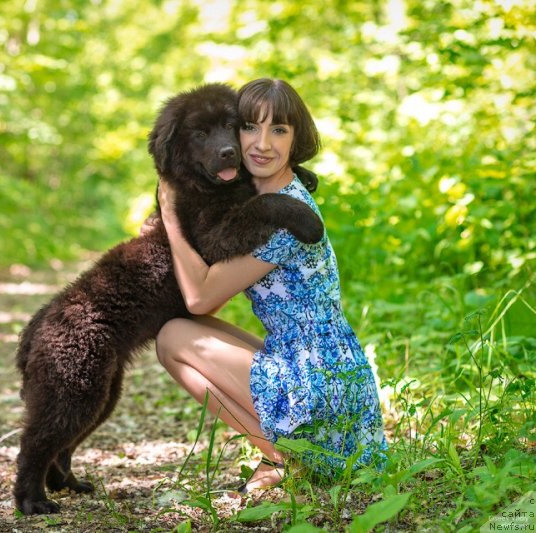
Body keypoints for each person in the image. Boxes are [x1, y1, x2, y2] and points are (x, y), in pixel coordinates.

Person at [151, 78, 387, 491]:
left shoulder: (281, 216)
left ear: (296, 140)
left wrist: (170, 216)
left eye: (278, 130)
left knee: (173, 337)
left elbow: (200, 298)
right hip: (315, 364)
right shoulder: (264, 194)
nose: (261, 143)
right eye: (249, 128)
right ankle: (286, 452)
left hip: (320, 383)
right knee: (188, 330)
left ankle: (285, 456)